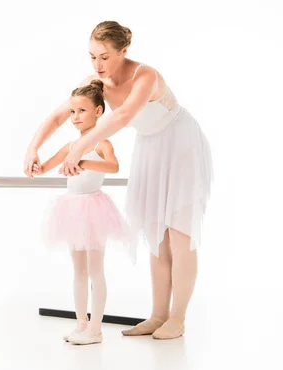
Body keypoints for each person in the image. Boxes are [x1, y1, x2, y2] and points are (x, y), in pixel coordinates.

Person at [24, 21, 213, 340]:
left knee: (179, 233)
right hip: (150, 145)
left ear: (123, 52)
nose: (98, 65)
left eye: (105, 57)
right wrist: (33, 148)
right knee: (155, 234)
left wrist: (80, 148)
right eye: (92, 57)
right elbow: (60, 115)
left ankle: (177, 318)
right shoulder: (94, 81)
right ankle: (157, 315)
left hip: (180, 143)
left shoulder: (146, 75)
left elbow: (122, 116)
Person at [33, 80, 136, 345]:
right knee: (78, 270)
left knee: (95, 270)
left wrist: (82, 160)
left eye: (82, 111)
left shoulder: (101, 142)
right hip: (72, 209)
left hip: (93, 210)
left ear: (99, 111)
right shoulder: (70, 146)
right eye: (72, 112)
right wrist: (34, 163)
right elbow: (45, 167)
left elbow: (113, 166)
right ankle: (81, 324)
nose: (75, 117)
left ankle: (96, 327)